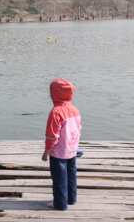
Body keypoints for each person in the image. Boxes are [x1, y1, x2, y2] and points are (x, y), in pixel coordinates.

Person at [41, 79, 82, 210]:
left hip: (59, 152)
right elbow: (78, 128)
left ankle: (60, 204)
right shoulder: (75, 109)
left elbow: (52, 135)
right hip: (72, 149)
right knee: (71, 175)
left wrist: (46, 151)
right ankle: (71, 198)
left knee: (59, 178)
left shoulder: (56, 112)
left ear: (54, 94)